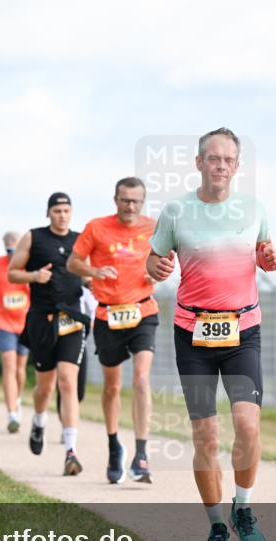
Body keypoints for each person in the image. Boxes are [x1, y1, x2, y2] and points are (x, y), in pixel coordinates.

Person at [146, 127, 276, 541]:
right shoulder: (175, 211)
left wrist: (269, 259)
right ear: (199, 162)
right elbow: (154, 259)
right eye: (213, 158)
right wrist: (157, 266)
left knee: (247, 426)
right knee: (205, 435)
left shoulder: (254, 209)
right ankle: (218, 527)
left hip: (242, 332)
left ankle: (243, 507)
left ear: (237, 166)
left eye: (229, 160)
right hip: (193, 334)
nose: (221, 166)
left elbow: (265, 253)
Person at [67, 176, 157, 484]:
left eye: (136, 201)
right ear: (115, 200)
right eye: (125, 200)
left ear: (142, 202)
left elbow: (167, 261)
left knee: (142, 378)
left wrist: (160, 270)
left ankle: (141, 454)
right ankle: (113, 445)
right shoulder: (96, 227)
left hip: (143, 310)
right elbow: (73, 263)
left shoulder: (153, 228)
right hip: (108, 315)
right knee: (112, 387)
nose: (130, 206)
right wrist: (93, 271)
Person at [8, 192, 87, 476]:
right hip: (42, 319)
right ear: (48, 213)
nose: (62, 215)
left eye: (66, 210)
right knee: (45, 386)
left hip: (72, 319)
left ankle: (70, 452)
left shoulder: (81, 240)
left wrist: (91, 279)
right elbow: (12, 273)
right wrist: (33, 276)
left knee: (67, 381)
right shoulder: (33, 237)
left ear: (71, 212)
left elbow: (87, 274)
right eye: (57, 211)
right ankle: (39, 420)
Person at [0, 233, 31, 433]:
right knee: (9, 366)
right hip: (2, 322)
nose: (11, 254)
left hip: (25, 323)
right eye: (8, 250)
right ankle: (11, 414)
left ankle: (17, 399)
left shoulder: (29, 264)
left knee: (20, 370)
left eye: (14, 250)